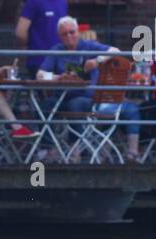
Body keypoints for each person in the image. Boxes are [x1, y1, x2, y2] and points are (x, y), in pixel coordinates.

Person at [39, 17, 140, 160]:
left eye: (72, 32)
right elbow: (40, 74)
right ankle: (49, 148)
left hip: (87, 97)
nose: (69, 36)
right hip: (62, 95)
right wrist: (57, 78)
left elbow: (115, 51)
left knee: (77, 104)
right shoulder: (57, 50)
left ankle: (75, 150)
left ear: (78, 32)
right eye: (64, 34)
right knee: (44, 105)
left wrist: (97, 61)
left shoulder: (88, 46)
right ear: (59, 36)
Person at [15, 0, 70, 79]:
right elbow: (20, 32)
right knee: (44, 95)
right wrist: (33, 45)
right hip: (39, 61)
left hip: (60, 61)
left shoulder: (63, 3)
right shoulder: (35, 0)